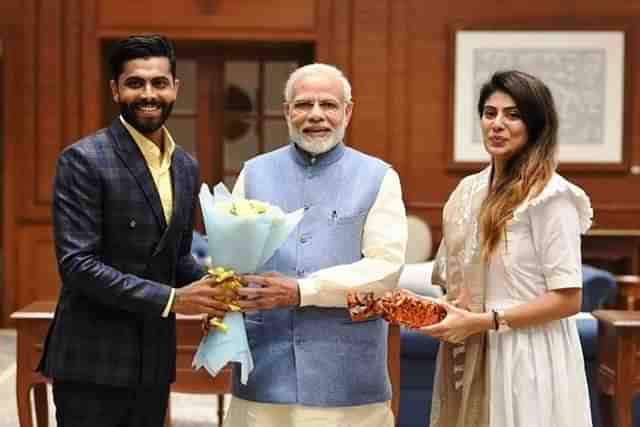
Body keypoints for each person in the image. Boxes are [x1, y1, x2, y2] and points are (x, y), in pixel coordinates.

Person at [38, 35, 231, 426]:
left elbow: (175, 256)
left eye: (159, 82)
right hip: (91, 362)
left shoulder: (186, 167)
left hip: (154, 360)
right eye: (135, 83)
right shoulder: (83, 160)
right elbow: (77, 265)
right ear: (115, 90)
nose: (149, 94)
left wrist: (221, 284)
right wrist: (174, 300)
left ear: (176, 87)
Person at [224, 63, 408, 427]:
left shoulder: (379, 177)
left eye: (328, 104)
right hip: (264, 373)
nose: (316, 115)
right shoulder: (254, 173)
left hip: (346, 378)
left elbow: (385, 269)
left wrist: (301, 291)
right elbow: (230, 261)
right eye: (304, 104)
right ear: (287, 111)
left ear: (347, 112)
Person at [422, 70, 593, 427]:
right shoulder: (466, 192)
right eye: (490, 113)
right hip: (468, 347)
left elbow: (568, 299)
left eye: (512, 115)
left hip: (528, 355)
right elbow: (450, 280)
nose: (497, 124)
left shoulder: (550, 196)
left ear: (535, 124)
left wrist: (487, 321)